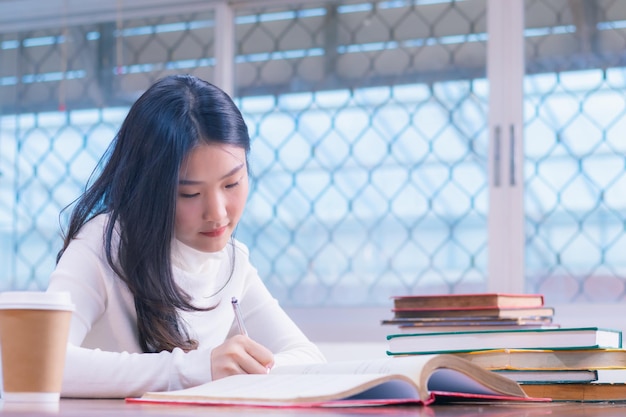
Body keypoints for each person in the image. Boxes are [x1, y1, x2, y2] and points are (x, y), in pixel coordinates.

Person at [47, 74, 326, 398]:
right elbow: (44, 363)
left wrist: (241, 368)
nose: (218, 213)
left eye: (232, 184)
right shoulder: (101, 245)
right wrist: (197, 369)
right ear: (148, 188)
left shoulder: (231, 263)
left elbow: (308, 358)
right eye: (190, 194)